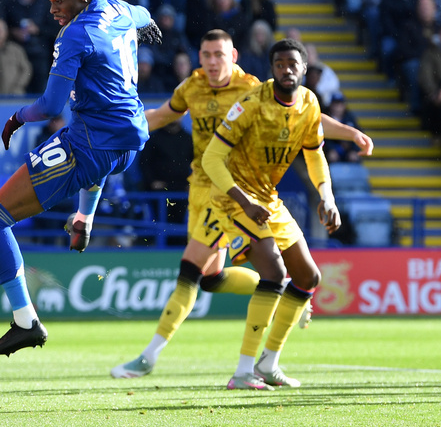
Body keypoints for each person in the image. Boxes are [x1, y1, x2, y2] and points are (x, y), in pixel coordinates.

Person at [110, 30, 372, 380]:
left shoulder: (251, 88)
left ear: (233, 56)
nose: (212, 61)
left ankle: (152, 356)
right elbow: (160, 117)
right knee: (211, 278)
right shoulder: (192, 87)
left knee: (198, 272)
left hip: (242, 190)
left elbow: (303, 118)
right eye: (206, 55)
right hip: (210, 189)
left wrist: (348, 132)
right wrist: (122, 130)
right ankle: (247, 349)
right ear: (199, 57)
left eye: (219, 54)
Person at [0, 0, 161, 357]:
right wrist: (147, 28)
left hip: (90, 144)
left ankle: (25, 322)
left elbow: (49, 106)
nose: (52, 9)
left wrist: (15, 118)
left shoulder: (75, 35)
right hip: (131, 142)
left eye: (58, 0)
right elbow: (144, 14)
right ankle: (85, 217)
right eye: (48, 1)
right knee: (89, 149)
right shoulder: (118, 9)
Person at [197, 39, 340, 390]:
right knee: (275, 274)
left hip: (268, 199)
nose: (286, 69)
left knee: (307, 277)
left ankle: (269, 363)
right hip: (233, 198)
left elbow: (315, 154)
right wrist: (243, 201)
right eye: (279, 64)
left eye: (292, 63)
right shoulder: (251, 104)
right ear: (272, 68)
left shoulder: (309, 104)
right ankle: (243, 372)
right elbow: (211, 158)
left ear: (304, 69)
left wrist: (327, 196)